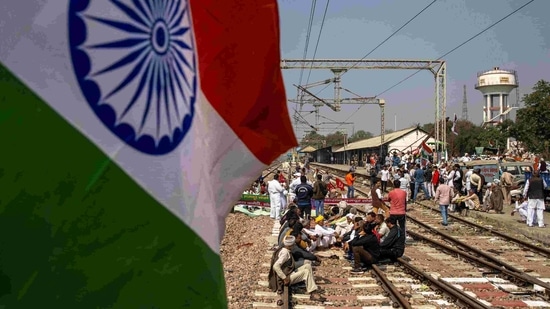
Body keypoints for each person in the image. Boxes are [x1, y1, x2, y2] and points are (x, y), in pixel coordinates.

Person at [268, 235, 326, 302]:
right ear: (290, 245)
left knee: (308, 266)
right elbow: (276, 266)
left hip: (288, 273)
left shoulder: (284, 249)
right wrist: (284, 278)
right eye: (293, 244)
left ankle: (309, 283)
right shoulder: (285, 253)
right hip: (285, 278)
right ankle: (313, 293)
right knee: (306, 272)